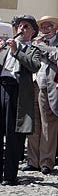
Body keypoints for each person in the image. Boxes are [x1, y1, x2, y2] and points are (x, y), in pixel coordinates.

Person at [0, 15, 41, 185]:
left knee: (12, 134)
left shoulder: (33, 49)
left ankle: (10, 175)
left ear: (32, 31)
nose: (21, 29)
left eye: (26, 26)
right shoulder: (6, 45)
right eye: (19, 26)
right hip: (2, 85)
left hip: (17, 91)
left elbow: (34, 65)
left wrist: (16, 51)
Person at [23, 16, 58, 175]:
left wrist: (42, 47)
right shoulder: (35, 41)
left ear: (55, 27)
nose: (46, 29)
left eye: (49, 26)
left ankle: (47, 162)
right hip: (33, 83)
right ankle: (33, 160)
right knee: (33, 124)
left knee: (49, 123)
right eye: (43, 26)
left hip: (49, 85)